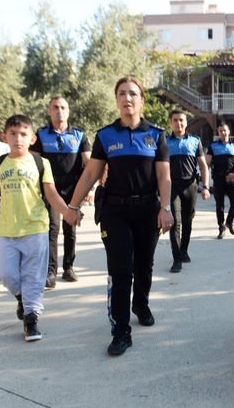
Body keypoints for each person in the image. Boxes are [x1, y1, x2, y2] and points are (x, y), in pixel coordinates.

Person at [64, 76, 173, 356]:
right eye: (122, 94)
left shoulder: (156, 135)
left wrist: (165, 208)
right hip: (115, 211)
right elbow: (90, 173)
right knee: (120, 271)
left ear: (141, 100)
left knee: (144, 265)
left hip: (148, 210)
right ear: (116, 100)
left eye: (133, 94)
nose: (127, 99)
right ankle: (121, 330)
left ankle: (141, 303)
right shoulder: (105, 136)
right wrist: (73, 207)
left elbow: (164, 176)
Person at [0, 114, 75, 342]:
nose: (18, 139)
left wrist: (67, 211)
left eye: (23, 134)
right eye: (13, 134)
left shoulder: (40, 163)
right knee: (4, 273)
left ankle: (31, 319)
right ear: (5, 137)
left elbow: (51, 193)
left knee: (34, 276)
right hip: (6, 230)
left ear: (32, 138)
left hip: (36, 228)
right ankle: (24, 299)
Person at [31, 96, 91, 288]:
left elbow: (89, 164)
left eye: (63, 107)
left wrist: (90, 189)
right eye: (55, 107)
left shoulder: (80, 135)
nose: (59, 111)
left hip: (74, 190)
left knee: (70, 229)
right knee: (52, 229)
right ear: (49, 110)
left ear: (68, 111)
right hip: (50, 189)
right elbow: (33, 163)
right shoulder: (41, 135)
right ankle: (50, 272)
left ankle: (69, 268)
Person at [166, 109, 210, 273]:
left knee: (187, 221)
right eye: (175, 120)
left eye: (181, 120)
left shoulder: (194, 141)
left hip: (190, 186)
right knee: (174, 221)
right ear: (171, 122)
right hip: (172, 187)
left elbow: (203, 166)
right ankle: (176, 258)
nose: (179, 123)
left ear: (186, 122)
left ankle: (183, 250)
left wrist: (205, 187)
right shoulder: (164, 142)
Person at [206, 122, 234, 239]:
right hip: (218, 179)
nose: (223, 133)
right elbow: (206, 162)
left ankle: (229, 222)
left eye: (225, 130)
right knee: (219, 205)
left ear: (229, 131)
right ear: (218, 132)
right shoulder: (213, 146)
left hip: (232, 178)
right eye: (220, 131)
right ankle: (221, 228)